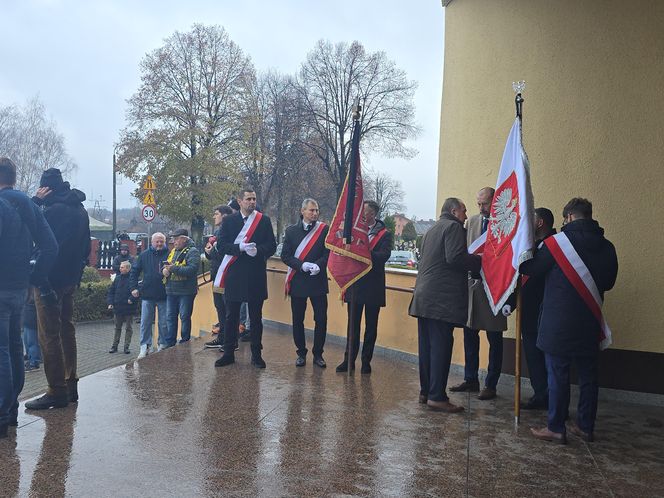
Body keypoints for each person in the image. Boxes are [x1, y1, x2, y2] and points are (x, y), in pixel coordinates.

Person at [521, 198, 618, 444]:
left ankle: (556, 426)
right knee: (588, 376)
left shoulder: (556, 244)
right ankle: (585, 426)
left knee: (558, 374)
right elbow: (608, 282)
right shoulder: (607, 247)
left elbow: (531, 270)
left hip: (558, 322)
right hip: (590, 320)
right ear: (588, 215)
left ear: (570, 217)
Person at [24, 167, 90, 411]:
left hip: (49, 282)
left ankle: (55, 390)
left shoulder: (51, 210)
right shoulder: (80, 210)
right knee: (67, 330)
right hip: (70, 280)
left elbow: (33, 237)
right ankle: (71, 384)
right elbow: (85, 249)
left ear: (46, 188)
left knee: (48, 336)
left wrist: (35, 201)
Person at [0, 158, 57, 436]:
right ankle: (10, 412)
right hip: (19, 288)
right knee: (12, 348)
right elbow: (50, 246)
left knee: (3, 351)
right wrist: (33, 278)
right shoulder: (27, 204)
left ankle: (1, 415)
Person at [409, 198, 480, 413]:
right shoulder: (453, 227)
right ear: (454, 211)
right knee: (440, 348)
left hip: (424, 297)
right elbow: (455, 258)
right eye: (464, 211)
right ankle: (437, 396)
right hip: (441, 300)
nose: (466, 216)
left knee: (427, 347)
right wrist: (480, 260)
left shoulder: (432, 230)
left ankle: (426, 391)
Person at [450, 187, 507, 401]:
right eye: (479, 204)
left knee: (495, 337)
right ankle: (471, 379)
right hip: (472, 287)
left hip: (494, 288)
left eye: (485, 203)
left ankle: (491, 384)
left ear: (495, 201)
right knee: (469, 334)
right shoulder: (472, 222)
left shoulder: (505, 223)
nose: (481, 208)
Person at [214, 187, 276, 368]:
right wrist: (239, 248)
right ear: (240, 201)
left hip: (255, 274)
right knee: (231, 316)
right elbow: (222, 245)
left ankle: (256, 355)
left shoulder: (263, 221)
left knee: (256, 318)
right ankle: (228, 353)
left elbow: (271, 246)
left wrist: (258, 251)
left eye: (254, 199)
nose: (251, 202)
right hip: (234, 274)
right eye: (248, 199)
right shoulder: (230, 221)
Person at [336, 200, 393, 374]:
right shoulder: (354, 231)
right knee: (352, 326)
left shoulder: (384, 234)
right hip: (355, 283)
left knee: (371, 327)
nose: (361, 216)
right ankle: (349, 360)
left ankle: (366, 361)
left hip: (373, 286)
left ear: (372, 215)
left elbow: (383, 255)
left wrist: (362, 251)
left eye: (365, 213)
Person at [281, 198, 330, 368]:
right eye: (311, 210)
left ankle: (318, 354)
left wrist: (319, 265)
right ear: (302, 211)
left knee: (321, 319)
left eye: (316, 210)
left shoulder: (324, 230)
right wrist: (301, 265)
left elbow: (328, 253)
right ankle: (301, 353)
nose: (315, 213)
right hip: (299, 281)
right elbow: (285, 256)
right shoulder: (291, 231)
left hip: (318, 281)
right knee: (298, 319)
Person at [517, 208, 556, 410]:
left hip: (546, 312)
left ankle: (551, 399)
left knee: (547, 359)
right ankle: (540, 394)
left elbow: (533, 271)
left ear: (540, 222)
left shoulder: (553, 245)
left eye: (530, 219)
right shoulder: (534, 245)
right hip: (530, 312)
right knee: (533, 357)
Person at [130, 232, 169, 358]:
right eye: (156, 241)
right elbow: (134, 272)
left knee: (163, 323)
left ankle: (162, 345)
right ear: (151, 242)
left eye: (161, 241)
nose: (159, 244)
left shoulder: (170, 255)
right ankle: (145, 346)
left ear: (165, 242)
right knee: (145, 322)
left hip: (165, 295)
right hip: (147, 294)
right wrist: (134, 288)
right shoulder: (144, 255)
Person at [162, 228, 200, 348]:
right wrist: (164, 271)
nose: (174, 241)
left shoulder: (193, 251)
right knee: (170, 318)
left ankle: (184, 342)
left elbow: (192, 270)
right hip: (171, 290)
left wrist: (173, 269)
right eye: (173, 239)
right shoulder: (173, 251)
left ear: (184, 239)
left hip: (186, 291)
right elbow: (167, 265)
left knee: (184, 317)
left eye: (176, 238)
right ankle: (170, 343)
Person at [204, 205, 234, 349]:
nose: (214, 217)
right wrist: (209, 253)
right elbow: (216, 256)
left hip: (226, 278)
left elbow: (226, 254)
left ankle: (230, 340)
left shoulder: (230, 232)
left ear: (224, 216)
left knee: (227, 309)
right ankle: (222, 337)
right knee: (219, 307)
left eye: (216, 214)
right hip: (217, 276)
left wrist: (212, 252)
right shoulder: (218, 231)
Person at [107, 261, 138, 354]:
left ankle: (126, 347)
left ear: (128, 269)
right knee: (117, 327)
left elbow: (137, 291)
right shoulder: (117, 278)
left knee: (128, 328)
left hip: (129, 307)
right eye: (120, 267)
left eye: (122, 267)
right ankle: (114, 346)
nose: (120, 269)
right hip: (118, 307)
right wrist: (110, 302)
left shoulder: (133, 279)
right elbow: (111, 292)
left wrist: (131, 299)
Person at [22, 293, 41, 372]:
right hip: (28, 317)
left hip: (30, 316)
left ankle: (34, 362)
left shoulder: (32, 293)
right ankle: (31, 358)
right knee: (27, 340)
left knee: (32, 342)